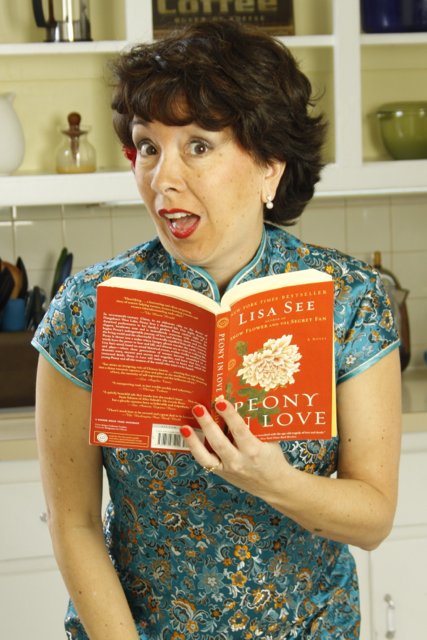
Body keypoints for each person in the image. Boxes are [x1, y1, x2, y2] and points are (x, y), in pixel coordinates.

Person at [33, 19, 401, 640]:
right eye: (148, 146)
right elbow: (74, 525)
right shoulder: (86, 308)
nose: (162, 179)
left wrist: (275, 482)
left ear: (269, 166)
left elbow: (373, 518)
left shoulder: (349, 300)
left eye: (198, 146)